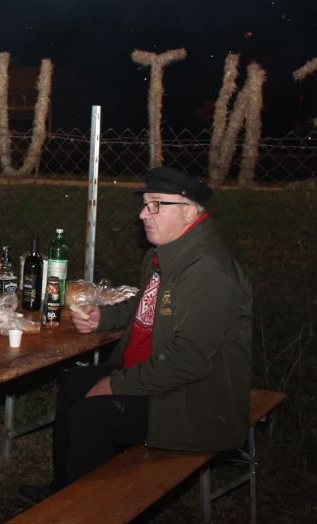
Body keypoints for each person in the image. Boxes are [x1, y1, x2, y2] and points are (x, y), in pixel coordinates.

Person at [19, 166, 252, 503]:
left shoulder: (208, 271)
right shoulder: (164, 254)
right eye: (145, 204)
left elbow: (189, 360)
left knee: (91, 416)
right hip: (153, 375)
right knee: (72, 385)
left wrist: (117, 384)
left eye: (156, 204)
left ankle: (84, 514)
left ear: (188, 212)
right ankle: (63, 490)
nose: (143, 214)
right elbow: (144, 304)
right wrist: (104, 317)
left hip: (192, 400)